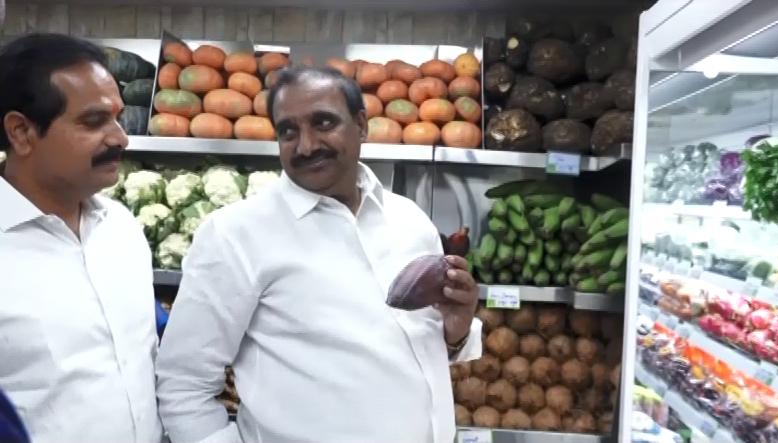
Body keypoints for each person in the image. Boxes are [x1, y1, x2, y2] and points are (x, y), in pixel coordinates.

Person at [155, 66, 482, 443]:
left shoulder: (409, 220)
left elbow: (413, 345)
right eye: (288, 131)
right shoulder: (235, 234)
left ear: (361, 125)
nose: (306, 145)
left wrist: (455, 332)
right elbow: (182, 382)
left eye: (323, 122)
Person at [0, 33, 163, 442]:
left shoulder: (121, 227)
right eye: (93, 122)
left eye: (118, 118)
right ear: (21, 132)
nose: (120, 138)